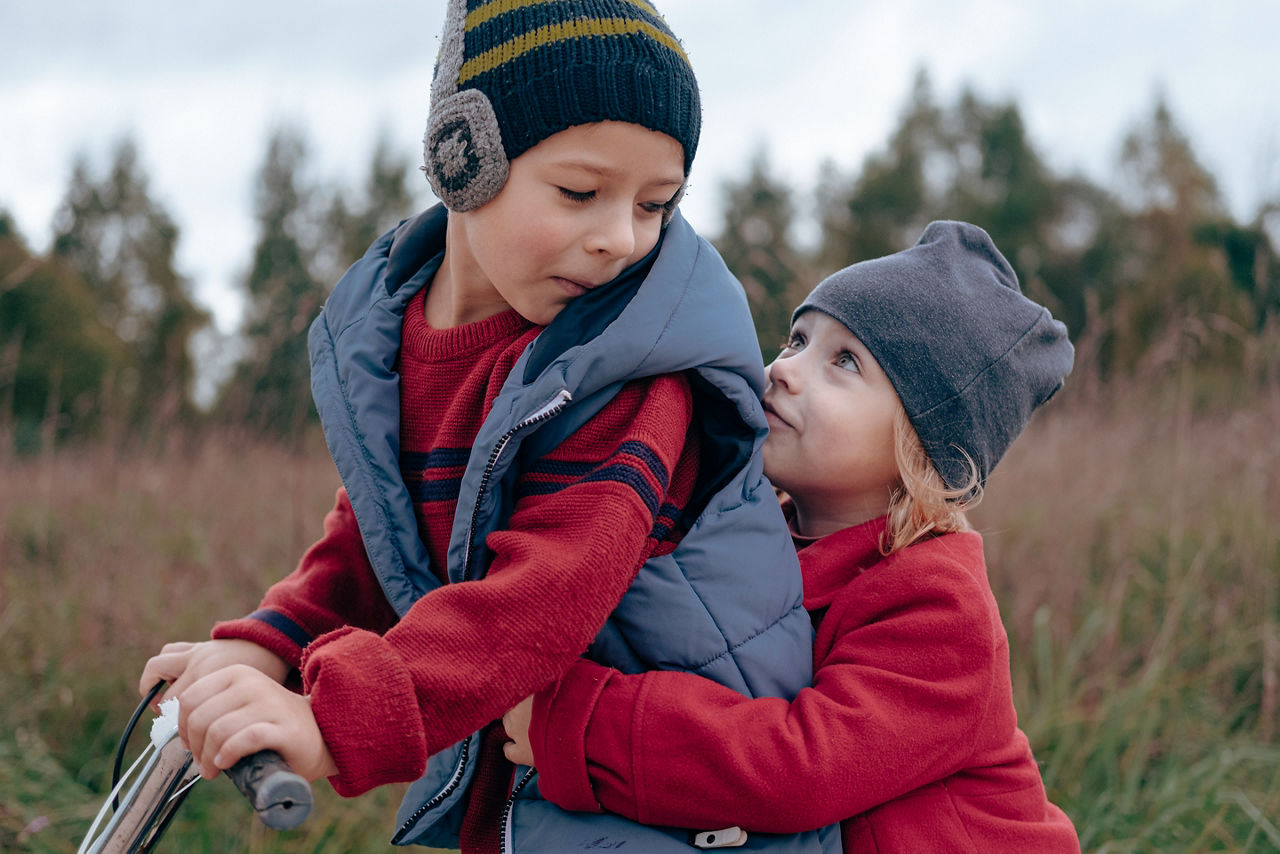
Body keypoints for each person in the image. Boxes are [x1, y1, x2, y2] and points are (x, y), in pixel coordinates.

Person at [138, 1, 835, 852]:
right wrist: (271, 646)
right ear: (462, 160)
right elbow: (378, 537)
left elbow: (541, 596)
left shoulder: (631, 378)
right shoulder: (400, 342)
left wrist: (334, 717)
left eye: (656, 206)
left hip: (684, 802)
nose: (620, 238)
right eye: (581, 192)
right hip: (543, 788)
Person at [503, 221, 1083, 852]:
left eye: (844, 362)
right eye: (797, 339)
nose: (784, 370)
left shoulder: (937, 603)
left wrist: (581, 729)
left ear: (920, 445)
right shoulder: (756, 537)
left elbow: (801, 769)